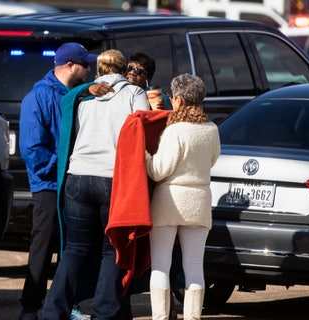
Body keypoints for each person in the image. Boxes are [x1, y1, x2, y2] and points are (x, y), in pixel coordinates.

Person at [42, 49, 150, 319]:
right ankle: (104, 313)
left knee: (74, 250)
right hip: (112, 180)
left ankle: (53, 311)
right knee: (112, 250)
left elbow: (70, 120)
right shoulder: (134, 94)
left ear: (99, 69)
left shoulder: (83, 96)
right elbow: (144, 134)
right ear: (124, 69)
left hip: (77, 178)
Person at [18, 42, 111, 320]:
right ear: (70, 66)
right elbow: (32, 149)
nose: (90, 70)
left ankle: (68, 305)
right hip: (48, 185)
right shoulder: (39, 97)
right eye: (85, 65)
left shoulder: (77, 94)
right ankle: (30, 308)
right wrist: (62, 164)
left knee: (72, 247)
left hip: (71, 182)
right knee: (43, 246)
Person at [145, 74, 220, 320]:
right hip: (199, 202)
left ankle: (160, 317)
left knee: (160, 265)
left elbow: (158, 170)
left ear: (177, 100)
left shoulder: (174, 130)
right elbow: (212, 161)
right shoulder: (212, 130)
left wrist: (145, 155)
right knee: (194, 267)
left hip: (168, 202)